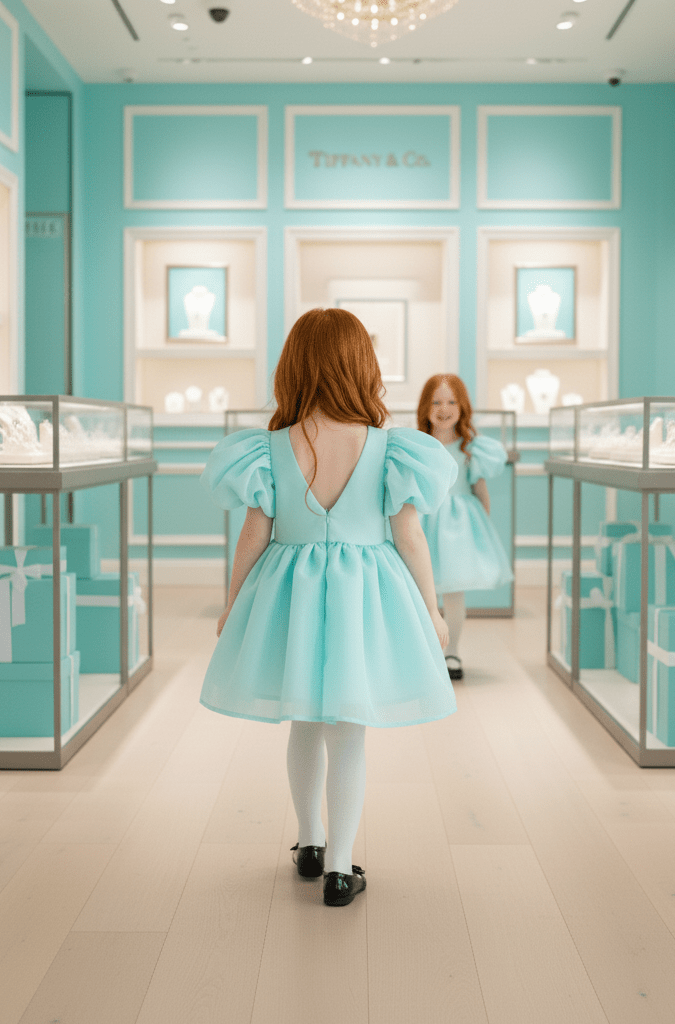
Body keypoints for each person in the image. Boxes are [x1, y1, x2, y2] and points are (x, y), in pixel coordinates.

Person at [199, 308, 458, 907]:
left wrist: (234, 602)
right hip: (363, 596)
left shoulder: (269, 448)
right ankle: (341, 869)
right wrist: (431, 609)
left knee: (304, 722)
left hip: (290, 594)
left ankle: (309, 843)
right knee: (349, 734)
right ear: (360, 366)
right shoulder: (389, 448)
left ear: (294, 367)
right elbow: (410, 537)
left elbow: (254, 534)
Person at [416, 374, 513, 680]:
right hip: (422, 524)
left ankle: (452, 651)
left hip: (457, 530)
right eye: (436, 402)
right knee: (422, 592)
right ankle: (426, 653)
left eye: (451, 402)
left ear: (462, 407)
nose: (443, 409)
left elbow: (480, 492)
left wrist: (481, 533)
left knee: (454, 593)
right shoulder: (417, 446)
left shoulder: (471, 448)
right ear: (425, 406)